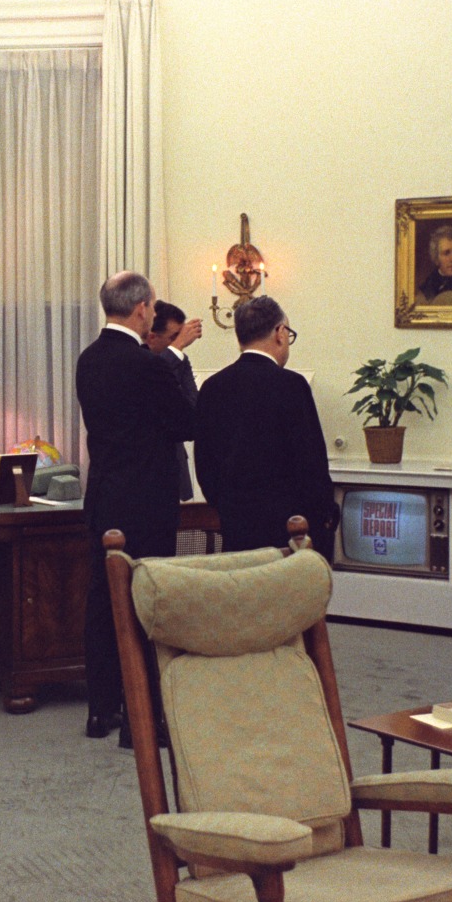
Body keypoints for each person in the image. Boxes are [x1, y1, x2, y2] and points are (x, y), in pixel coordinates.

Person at [75, 271, 193, 744]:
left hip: (104, 494)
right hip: (146, 500)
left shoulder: (88, 359)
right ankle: (141, 716)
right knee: (146, 603)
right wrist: (178, 355)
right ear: (143, 308)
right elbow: (187, 421)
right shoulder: (149, 365)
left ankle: (100, 709)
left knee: (103, 601)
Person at [194, 295, 338, 556]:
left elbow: (205, 464)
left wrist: (227, 508)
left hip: (235, 529)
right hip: (289, 532)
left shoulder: (212, 387)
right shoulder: (292, 385)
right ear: (280, 333)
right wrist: (325, 517)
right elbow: (311, 463)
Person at [145, 300, 203, 500]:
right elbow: (147, 388)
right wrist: (176, 348)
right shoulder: (138, 361)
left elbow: (193, 408)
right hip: (147, 471)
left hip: (175, 462)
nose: (182, 342)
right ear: (152, 338)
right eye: (174, 337)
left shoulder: (180, 360)